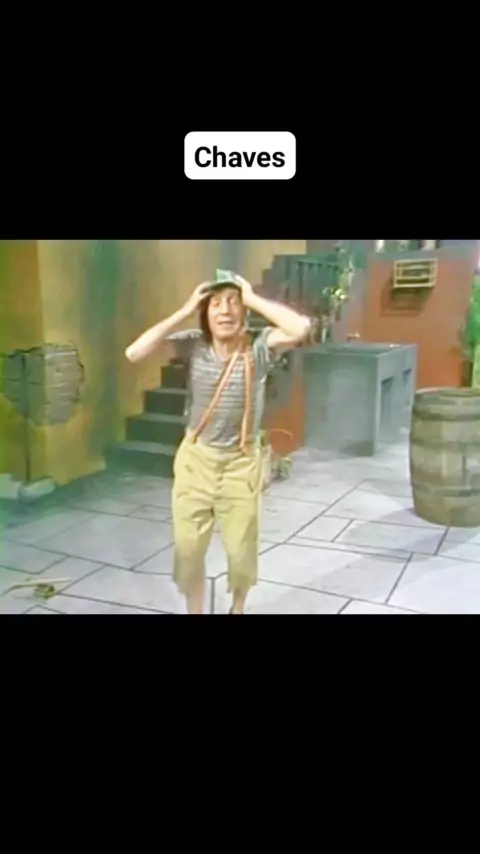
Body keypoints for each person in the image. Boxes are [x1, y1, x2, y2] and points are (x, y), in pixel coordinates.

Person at [125, 270, 311, 614]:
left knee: (241, 552)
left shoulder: (259, 347)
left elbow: (299, 328)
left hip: (241, 464)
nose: (225, 310)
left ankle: (237, 609)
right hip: (196, 461)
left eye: (233, 302)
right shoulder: (194, 345)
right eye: (215, 304)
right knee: (188, 551)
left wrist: (251, 297)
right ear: (205, 313)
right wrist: (184, 311)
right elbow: (135, 352)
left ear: (244, 312)